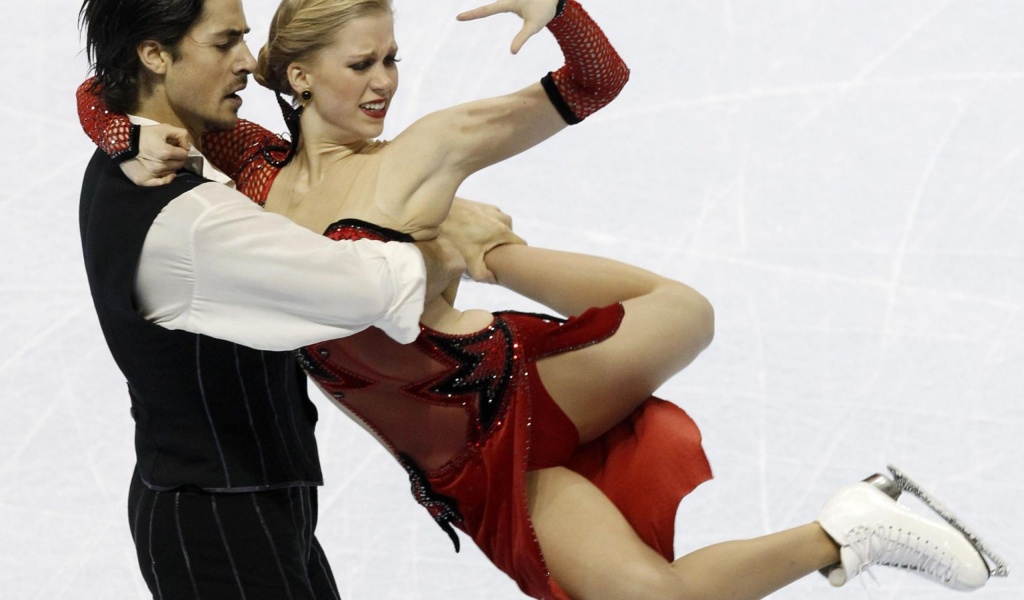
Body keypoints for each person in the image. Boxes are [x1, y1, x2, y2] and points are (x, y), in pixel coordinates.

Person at [78, 0, 997, 598]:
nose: (385, 82)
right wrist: (116, 130)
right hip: (456, 466)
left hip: (504, 389)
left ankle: (502, 255)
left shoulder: (428, 146)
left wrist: (558, 12)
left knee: (688, 311)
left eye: (392, 58)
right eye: (362, 63)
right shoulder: (250, 165)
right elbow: (113, 84)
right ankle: (849, 528)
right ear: (298, 75)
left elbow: (593, 82)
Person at [75, 0, 520, 598]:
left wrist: (113, 126)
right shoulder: (191, 220)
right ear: (155, 54)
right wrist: (447, 244)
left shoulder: (151, 155)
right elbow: (369, 288)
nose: (249, 62)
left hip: (250, 501)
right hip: (220, 521)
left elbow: (99, 89)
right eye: (224, 42)